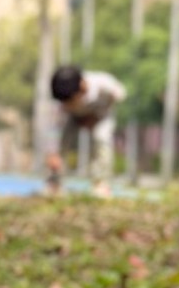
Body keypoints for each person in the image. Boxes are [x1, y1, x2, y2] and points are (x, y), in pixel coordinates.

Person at [45, 65, 125, 198]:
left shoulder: (102, 84)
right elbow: (54, 127)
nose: (66, 104)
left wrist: (96, 116)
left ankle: (100, 184)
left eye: (70, 101)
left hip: (100, 115)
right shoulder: (62, 102)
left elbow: (119, 94)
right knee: (60, 144)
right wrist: (53, 152)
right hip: (73, 117)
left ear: (82, 87)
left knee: (101, 138)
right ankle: (54, 183)